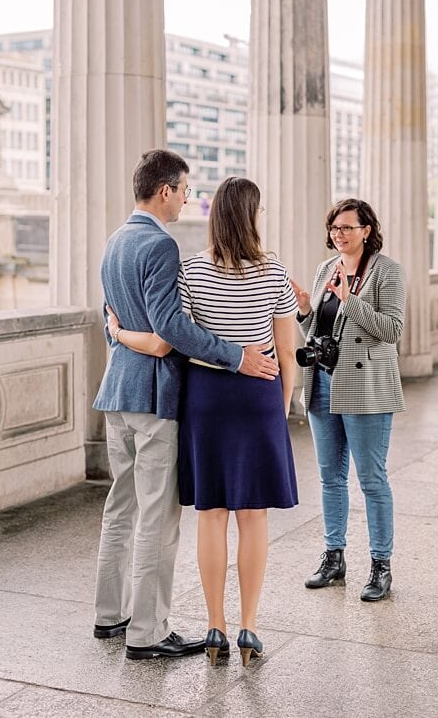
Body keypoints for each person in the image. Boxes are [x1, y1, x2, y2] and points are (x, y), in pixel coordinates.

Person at [92, 150, 280, 662]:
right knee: (157, 516)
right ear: (165, 191)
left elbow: (110, 317)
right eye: (183, 190)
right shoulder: (161, 246)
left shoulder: (114, 241)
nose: (186, 200)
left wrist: (124, 335)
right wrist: (237, 358)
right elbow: (171, 330)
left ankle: (109, 615)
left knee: (120, 508)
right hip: (154, 397)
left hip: (116, 393)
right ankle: (147, 632)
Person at [290, 198, 405, 602]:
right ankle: (333, 557)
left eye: (347, 227)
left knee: (372, 481)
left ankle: (380, 565)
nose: (339, 234)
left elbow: (391, 330)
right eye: (334, 228)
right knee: (330, 478)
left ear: (367, 231)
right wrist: (306, 311)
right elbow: (321, 329)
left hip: (367, 388)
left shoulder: (387, 272)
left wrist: (350, 298)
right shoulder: (326, 269)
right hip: (323, 384)